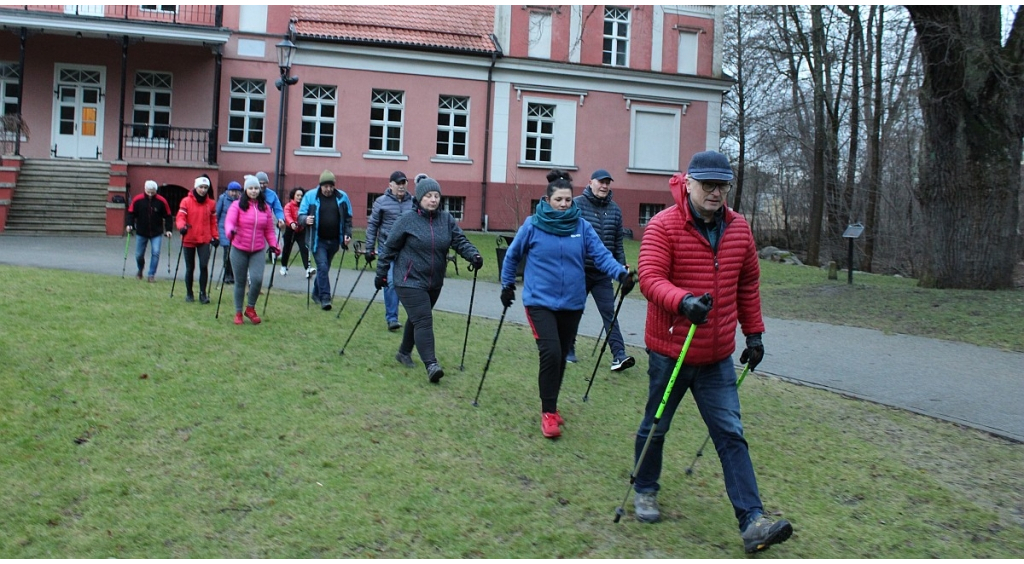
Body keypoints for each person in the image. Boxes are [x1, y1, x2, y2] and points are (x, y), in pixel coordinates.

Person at [630, 151, 792, 553]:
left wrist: (754, 335)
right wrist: (682, 301)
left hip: (717, 355)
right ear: (688, 183)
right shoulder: (663, 226)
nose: (716, 193)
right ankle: (645, 488)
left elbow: (748, 283)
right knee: (657, 425)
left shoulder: (739, 229)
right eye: (708, 185)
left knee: (731, 435)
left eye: (722, 185)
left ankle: (753, 520)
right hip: (671, 350)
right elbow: (649, 278)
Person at [499, 170, 636, 439]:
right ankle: (547, 413)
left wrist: (620, 273)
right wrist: (506, 285)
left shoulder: (581, 226)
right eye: (559, 199)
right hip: (539, 301)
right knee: (550, 353)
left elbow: (601, 255)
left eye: (568, 200)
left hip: (572, 304)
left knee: (560, 355)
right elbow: (512, 255)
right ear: (548, 199)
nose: (564, 204)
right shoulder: (533, 224)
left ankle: (552, 404)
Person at [375, 176, 481, 384]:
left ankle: (403, 352)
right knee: (423, 319)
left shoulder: (446, 220)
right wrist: (381, 273)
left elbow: (459, 241)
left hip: (434, 281)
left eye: (436, 196)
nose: (433, 200)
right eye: (428, 196)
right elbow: (389, 248)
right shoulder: (407, 220)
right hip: (408, 279)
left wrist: (474, 255)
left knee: (418, 318)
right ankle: (431, 364)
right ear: (419, 198)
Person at [569, 168, 634, 372]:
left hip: (603, 273)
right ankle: (568, 350)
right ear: (590, 182)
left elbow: (617, 242)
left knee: (609, 313)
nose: (604, 186)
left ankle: (619, 355)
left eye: (607, 183)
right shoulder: (577, 204)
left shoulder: (614, 209)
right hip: (580, 271)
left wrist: (620, 266)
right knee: (573, 311)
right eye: (601, 182)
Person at [224, 175, 280, 325]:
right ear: (246, 190)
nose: (254, 191)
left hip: (257, 250)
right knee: (240, 282)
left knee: (257, 280)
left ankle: (250, 308)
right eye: (250, 188)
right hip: (239, 248)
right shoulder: (237, 205)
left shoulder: (265, 208)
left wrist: (274, 245)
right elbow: (229, 222)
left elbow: (269, 229)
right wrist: (230, 232)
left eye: (256, 188)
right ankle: (238, 312)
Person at [366, 170, 415, 332]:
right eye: (398, 183)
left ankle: (413, 317)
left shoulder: (413, 202)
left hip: (407, 250)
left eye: (404, 183)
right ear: (390, 185)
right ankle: (392, 318)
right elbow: (373, 226)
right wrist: (369, 248)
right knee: (391, 281)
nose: (401, 186)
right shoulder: (381, 202)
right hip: (387, 249)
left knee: (408, 283)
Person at [298, 170, 353, 311]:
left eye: (331, 186)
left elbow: (347, 219)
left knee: (325, 268)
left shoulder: (342, 197)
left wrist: (347, 234)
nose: (328, 189)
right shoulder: (310, 196)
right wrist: (305, 219)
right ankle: (325, 298)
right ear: (320, 185)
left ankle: (316, 293)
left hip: (334, 240)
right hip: (317, 240)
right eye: (325, 186)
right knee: (322, 267)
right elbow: (300, 216)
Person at [175, 176, 218, 304]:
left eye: (205, 188)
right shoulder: (186, 201)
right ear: (195, 187)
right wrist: (182, 227)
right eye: (201, 187)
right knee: (190, 267)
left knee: (204, 266)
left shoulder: (211, 204)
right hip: (189, 237)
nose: (203, 190)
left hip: (204, 238)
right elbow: (181, 216)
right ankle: (189, 293)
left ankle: (203, 294)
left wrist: (215, 236)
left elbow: (213, 222)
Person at [125, 179, 172, 282]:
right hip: (141, 231)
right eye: (148, 191)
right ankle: (140, 269)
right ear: (145, 189)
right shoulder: (138, 200)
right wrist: (129, 224)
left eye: (153, 192)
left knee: (155, 252)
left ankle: (151, 274)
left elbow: (168, 215)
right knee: (139, 255)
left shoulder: (161, 201)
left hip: (156, 232)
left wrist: (168, 230)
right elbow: (131, 213)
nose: (150, 194)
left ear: (156, 190)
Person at [280, 187, 312, 277]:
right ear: (293, 196)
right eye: (298, 195)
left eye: (301, 195)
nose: (300, 197)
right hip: (290, 229)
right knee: (287, 248)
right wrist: (291, 223)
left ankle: (308, 269)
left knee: (304, 248)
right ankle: (283, 266)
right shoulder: (288, 206)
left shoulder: (304, 205)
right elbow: (287, 215)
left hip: (301, 230)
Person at [216, 181, 242, 285]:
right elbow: (217, 214)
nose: (234, 193)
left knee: (234, 254)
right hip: (224, 229)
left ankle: (232, 274)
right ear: (228, 191)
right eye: (232, 191)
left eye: (236, 191)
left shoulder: (241, 201)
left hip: (236, 231)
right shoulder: (223, 199)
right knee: (227, 252)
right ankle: (227, 275)